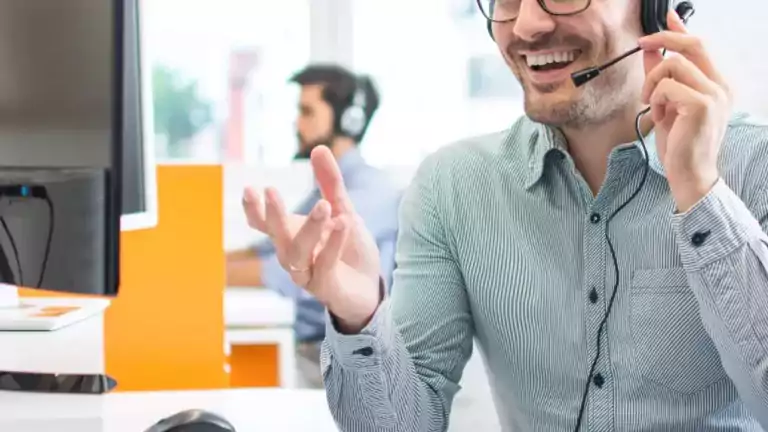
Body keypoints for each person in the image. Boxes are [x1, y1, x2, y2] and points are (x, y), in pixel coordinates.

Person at [242, 0, 768, 430]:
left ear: (654, 10)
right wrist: (358, 316)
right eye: (506, 0)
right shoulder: (453, 187)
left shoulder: (754, 167)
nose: (529, 24)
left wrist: (702, 197)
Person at [227, 64, 400, 389]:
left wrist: (197, 276)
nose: (297, 123)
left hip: (341, 363)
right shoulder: (323, 190)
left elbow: (288, 270)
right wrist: (200, 263)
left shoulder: (368, 193)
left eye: (307, 111)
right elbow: (269, 247)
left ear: (349, 120)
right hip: (311, 353)